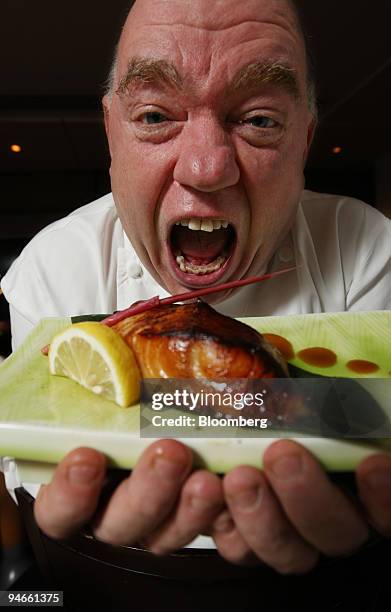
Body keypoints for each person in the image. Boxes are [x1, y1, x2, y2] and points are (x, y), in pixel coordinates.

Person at [1, 0, 391, 577]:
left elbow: (372, 423)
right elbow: (30, 452)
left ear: (305, 140)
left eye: (259, 120)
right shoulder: (53, 265)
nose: (207, 169)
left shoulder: (371, 250)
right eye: (156, 116)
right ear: (112, 133)